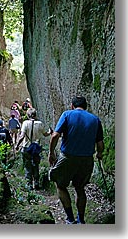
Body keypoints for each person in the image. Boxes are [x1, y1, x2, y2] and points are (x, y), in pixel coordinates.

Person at [48, 96, 104, 224]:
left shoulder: (67, 114)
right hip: (87, 159)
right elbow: (100, 144)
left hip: (68, 157)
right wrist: (99, 154)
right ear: (86, 107)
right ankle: (81, 219)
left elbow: (55, 135)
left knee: (61, 185)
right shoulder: (95, 119)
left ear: (72, 106)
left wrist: (51, 153)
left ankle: (70, 218)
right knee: (80, 188)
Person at [15, 108, 52, 190]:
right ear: (35, 115)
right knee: (36, 166)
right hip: (36, 148)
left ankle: (29, 185)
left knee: (28, 166)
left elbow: (22, 136)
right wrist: (50, 132)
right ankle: (37, 183)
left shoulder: (25, 123)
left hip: (27, 148)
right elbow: (45, 134)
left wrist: (17, 145)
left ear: (28, 115)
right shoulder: (40, 124)